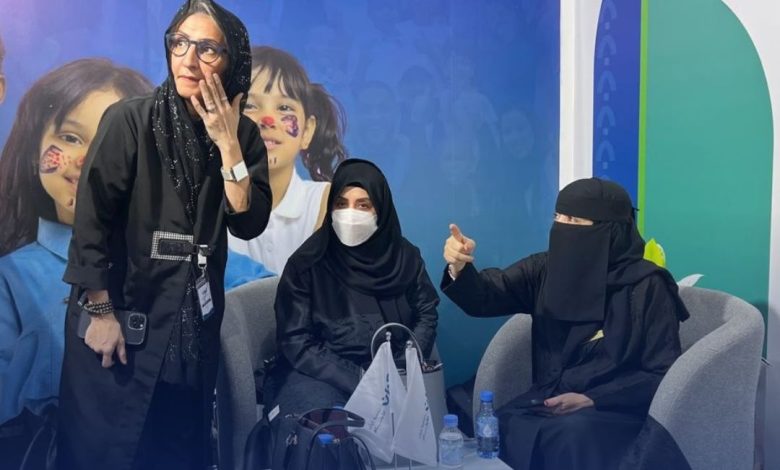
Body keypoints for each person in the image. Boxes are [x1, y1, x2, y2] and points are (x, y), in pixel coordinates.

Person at [58, 1, 272, 469]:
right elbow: (91, 221)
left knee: (178, 448)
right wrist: (99, 311)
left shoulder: (243, 137)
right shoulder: (130, 120)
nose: (189, 59)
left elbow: (248, 220)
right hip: (121, 319)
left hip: (190, 330)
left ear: (231, 60)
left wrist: (227, 143)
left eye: (207, 48)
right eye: (180, 43)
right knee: (109, 452)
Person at [441, 177, 689, 470]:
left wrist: (592, 399)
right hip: (548, 400)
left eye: (574, 220)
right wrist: (459, 267)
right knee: (504, 424)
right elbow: (486, 296)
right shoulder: (546, 269)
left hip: (615, 408)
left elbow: (661, 372)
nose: (562, 227)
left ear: (609, 231)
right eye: (558, 216)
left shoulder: (648, 287)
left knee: (569, 435)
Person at [0, 57, 151, 469]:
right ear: (34, 148)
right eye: (69, 137)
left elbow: (257, 301)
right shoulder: (12, 277)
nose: (88, 159)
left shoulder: (166, 259)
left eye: (113, 142)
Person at [266, 158, 438, 427]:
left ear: (381, 209)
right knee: (327, 430)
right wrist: (360, 378)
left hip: (395, 373)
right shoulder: (306, 264)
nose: (350, 213)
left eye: (363, 205)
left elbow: (426, 314)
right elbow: (296, 341)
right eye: (341, 203)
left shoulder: (405, 258)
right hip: (322, 376)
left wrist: (400, 366)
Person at [229, 45, 347, 274]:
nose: (268, 120)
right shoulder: (204, 205)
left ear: (307, 131)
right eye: (250, 105)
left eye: (284, 107)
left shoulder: (327, 202)